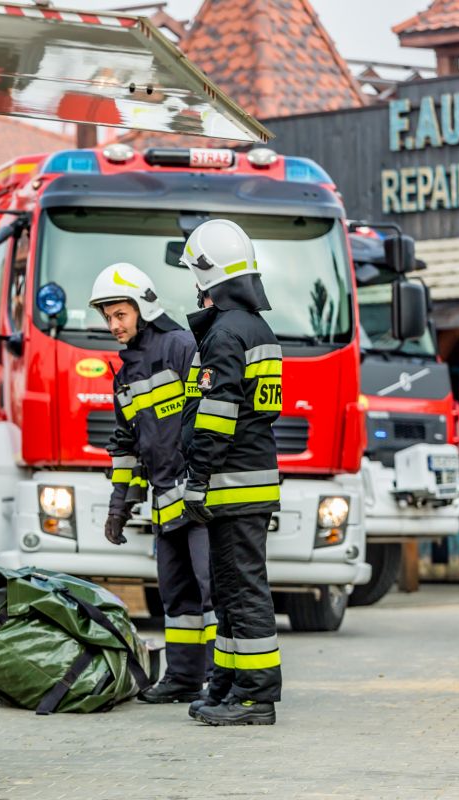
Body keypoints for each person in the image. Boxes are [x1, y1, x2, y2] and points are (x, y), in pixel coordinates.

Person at [89, 262, 214, 704]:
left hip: (200, 498)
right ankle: (183, 678)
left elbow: (207, 418)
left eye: (120, 314)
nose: (113, 325)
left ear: (143, 308)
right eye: (108, 317)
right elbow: (126, 445)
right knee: (176, 597)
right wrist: (118, 507)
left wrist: (201, 481)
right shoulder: (125, 374)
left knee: (212, 591)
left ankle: (220, 681)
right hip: (165, 502)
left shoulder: (181, 347)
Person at [178, 219, 283, 726]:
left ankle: (254, 698)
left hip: (231, 485)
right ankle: (226, 685)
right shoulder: (258, 330)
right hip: (247, 482)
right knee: (229, 594)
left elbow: (217, 417)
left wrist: (197, 478)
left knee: (243, 593)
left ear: (209, 276)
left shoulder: (224, 335)